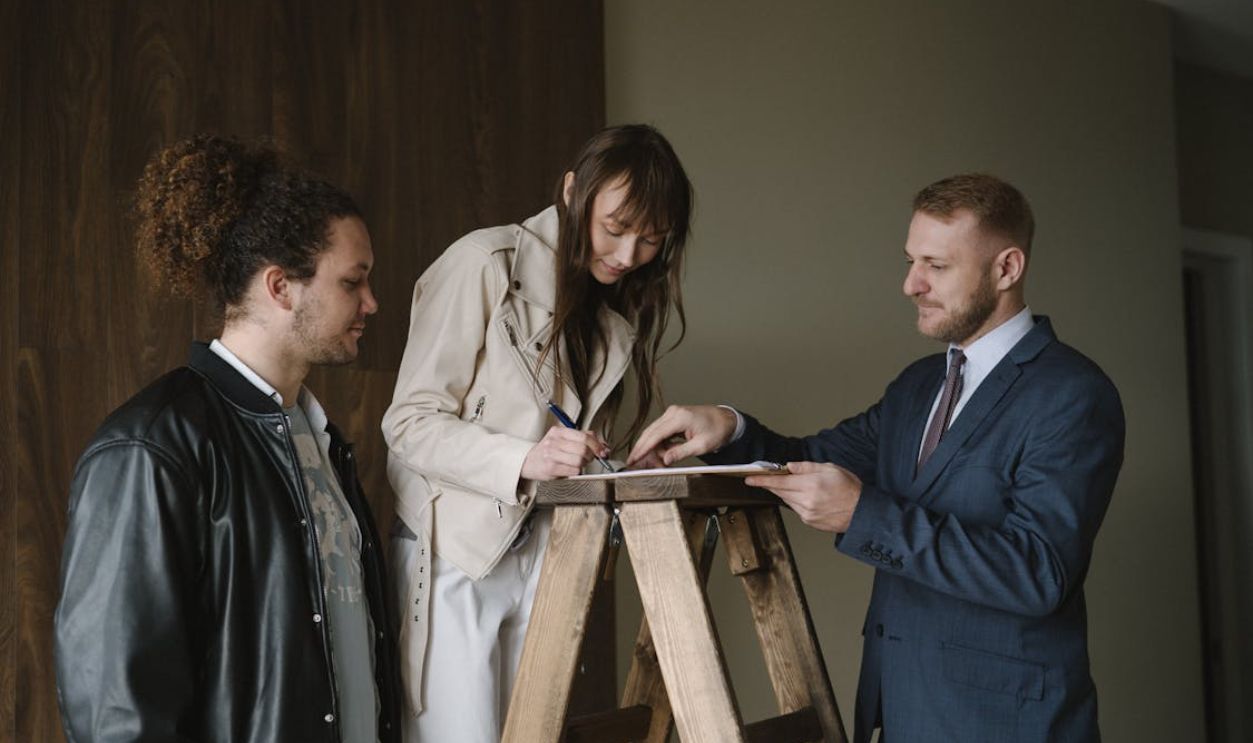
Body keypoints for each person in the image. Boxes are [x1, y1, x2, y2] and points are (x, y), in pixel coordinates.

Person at [628, 174, 1124, 743]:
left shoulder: (1073, 393)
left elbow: (1038, 572)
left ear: (1007, 269)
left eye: (936, 266)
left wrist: (863, 515)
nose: (911, 284)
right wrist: (728, 426)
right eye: (911, 261)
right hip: (901, 714)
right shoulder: (917, 387)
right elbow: (808, 459)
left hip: (1010, 723)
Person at [54, 135, 401, 743]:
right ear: (280, 287)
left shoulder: (321, 443)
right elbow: (116, 706)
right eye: (353, 282)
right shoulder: (150, 448)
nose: (372, 303)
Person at [381, 124, 693, 741]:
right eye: (615, 228)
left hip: (545, 561)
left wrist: (620, 469)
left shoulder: (610, 324)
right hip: (452, 553)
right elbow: (409, 423)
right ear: (573, 191)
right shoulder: (482, 264)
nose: (629, 255)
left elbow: (566, 444)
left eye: (650, 240)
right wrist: (526, 457)